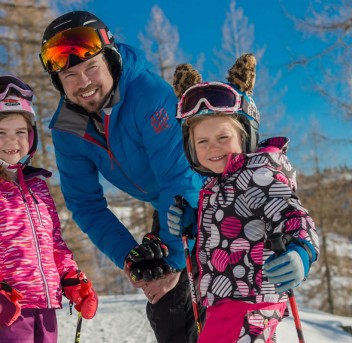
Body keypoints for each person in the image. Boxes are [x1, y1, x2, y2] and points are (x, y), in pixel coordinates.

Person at [39, 11, 204, 343]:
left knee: (215, 296)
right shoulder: (68, 128)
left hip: (205, 193)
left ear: (110, 58)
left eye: (91, 68)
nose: (83, 83)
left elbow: (179, 178)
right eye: (70, 75)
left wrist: (171, 261)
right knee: (166, 305)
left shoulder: (148, 94)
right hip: (166, 204)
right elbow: (86, 205)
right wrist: (132, 259)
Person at [167, 54, 320, 342]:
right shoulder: (215, 185)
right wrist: (194, 223)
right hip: (224, 302)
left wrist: (302, 250)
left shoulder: (259, 176)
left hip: (251, 304)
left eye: (223, 138)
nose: (213, 148)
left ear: (245, 137)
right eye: (202, 141)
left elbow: (294, 215)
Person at [0, 74, 98, 343]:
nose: (12, 142)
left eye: (20, 132)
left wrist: (71, 277)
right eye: (1, 133)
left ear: (31, 137)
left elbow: (54, 244)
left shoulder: (38, 188)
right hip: (7, 311)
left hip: (45, 307)